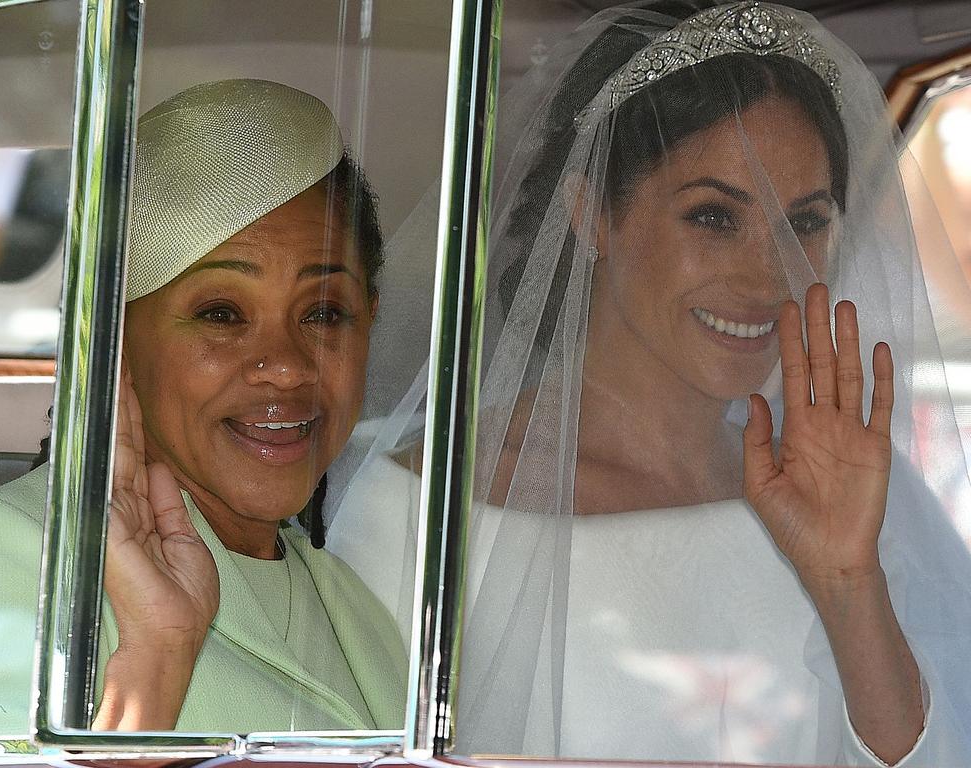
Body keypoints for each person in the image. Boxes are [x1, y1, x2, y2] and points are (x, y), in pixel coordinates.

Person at [327, 2, 971, 765]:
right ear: (591, 211)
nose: (769, 277)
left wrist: (847, 582)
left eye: (804, 222)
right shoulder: (413, 512)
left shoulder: (866, 498)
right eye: (713, 217)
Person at [0, 79, 406, 736]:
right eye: (222, 313)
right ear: (113, 343)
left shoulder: (355, 606)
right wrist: (157, 659)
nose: (286, 365)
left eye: (325, 313)